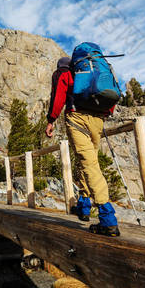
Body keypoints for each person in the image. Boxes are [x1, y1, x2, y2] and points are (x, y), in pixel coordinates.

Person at [45, 56, 120, 236]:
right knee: (87, 162)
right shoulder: (92, 71)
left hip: (77, 118)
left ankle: (108, 219)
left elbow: (58, 96)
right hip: (97, 120)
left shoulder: (63, 72)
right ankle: (84, 207)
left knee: (88, 164)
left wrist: (51, 120)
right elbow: (112, 92)